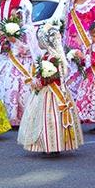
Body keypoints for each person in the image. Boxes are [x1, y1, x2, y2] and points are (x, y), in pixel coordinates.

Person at [18, 24, 83, 156]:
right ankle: (45, 143)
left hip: (53, 93)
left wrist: (40, 82)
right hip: (46, 92)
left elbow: (55, 77)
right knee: (43, 118)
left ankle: (54, 145)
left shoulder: (54, 58)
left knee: (51, 118)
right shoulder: (47, 56)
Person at [0, 0, 34, 127]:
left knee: (18, 82)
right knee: (3, 79)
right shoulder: (3, 4)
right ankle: (5, 114)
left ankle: (20, 114)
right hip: (7, 47)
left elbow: (25, 25)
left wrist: (13, 36)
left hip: (19, 48)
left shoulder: (23, 2)